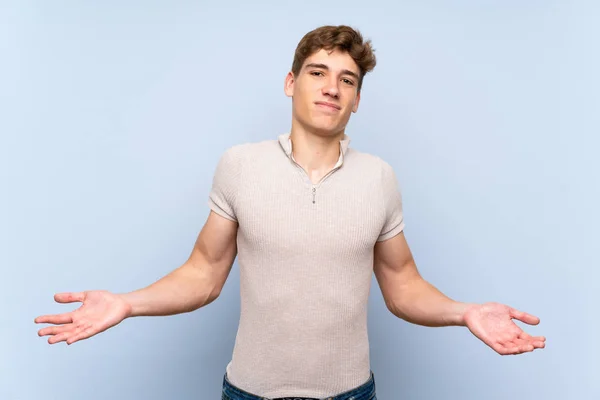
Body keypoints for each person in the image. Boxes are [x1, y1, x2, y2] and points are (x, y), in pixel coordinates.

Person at [34, 25, 546, 400]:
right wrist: (128, 302)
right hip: (249, 394)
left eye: (347, 80)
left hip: (351, 394)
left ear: (357, 100)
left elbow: (403, 284)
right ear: (290, 82)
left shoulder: (380, 177)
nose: (331, 87)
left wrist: (466, 312)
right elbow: (204, 273)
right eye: (318, 72)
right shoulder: (239, 165)